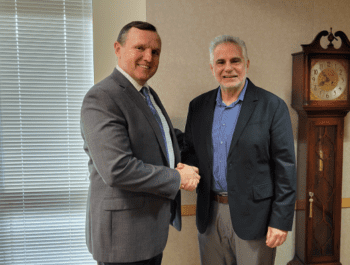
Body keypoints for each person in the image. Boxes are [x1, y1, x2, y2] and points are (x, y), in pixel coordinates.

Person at [80, 21, 200, 265]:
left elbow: (162, 137)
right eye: (140, 48)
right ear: (118, 48)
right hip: (123, 240)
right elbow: (117, 169)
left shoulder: (146, 93)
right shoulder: (102, 97)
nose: (148, 57)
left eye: (155, 52)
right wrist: (178, 178)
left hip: (148, 233)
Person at [182, 35, 296, 265]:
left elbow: (285, 168)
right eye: (221, 62)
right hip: (209, 213)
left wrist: (281, 221)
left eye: (235, 61)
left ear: (247, 64)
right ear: (212, 67)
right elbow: (190, 151)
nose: (228, 68)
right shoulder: (198, 106)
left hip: (256, 218)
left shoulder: (272, 106)